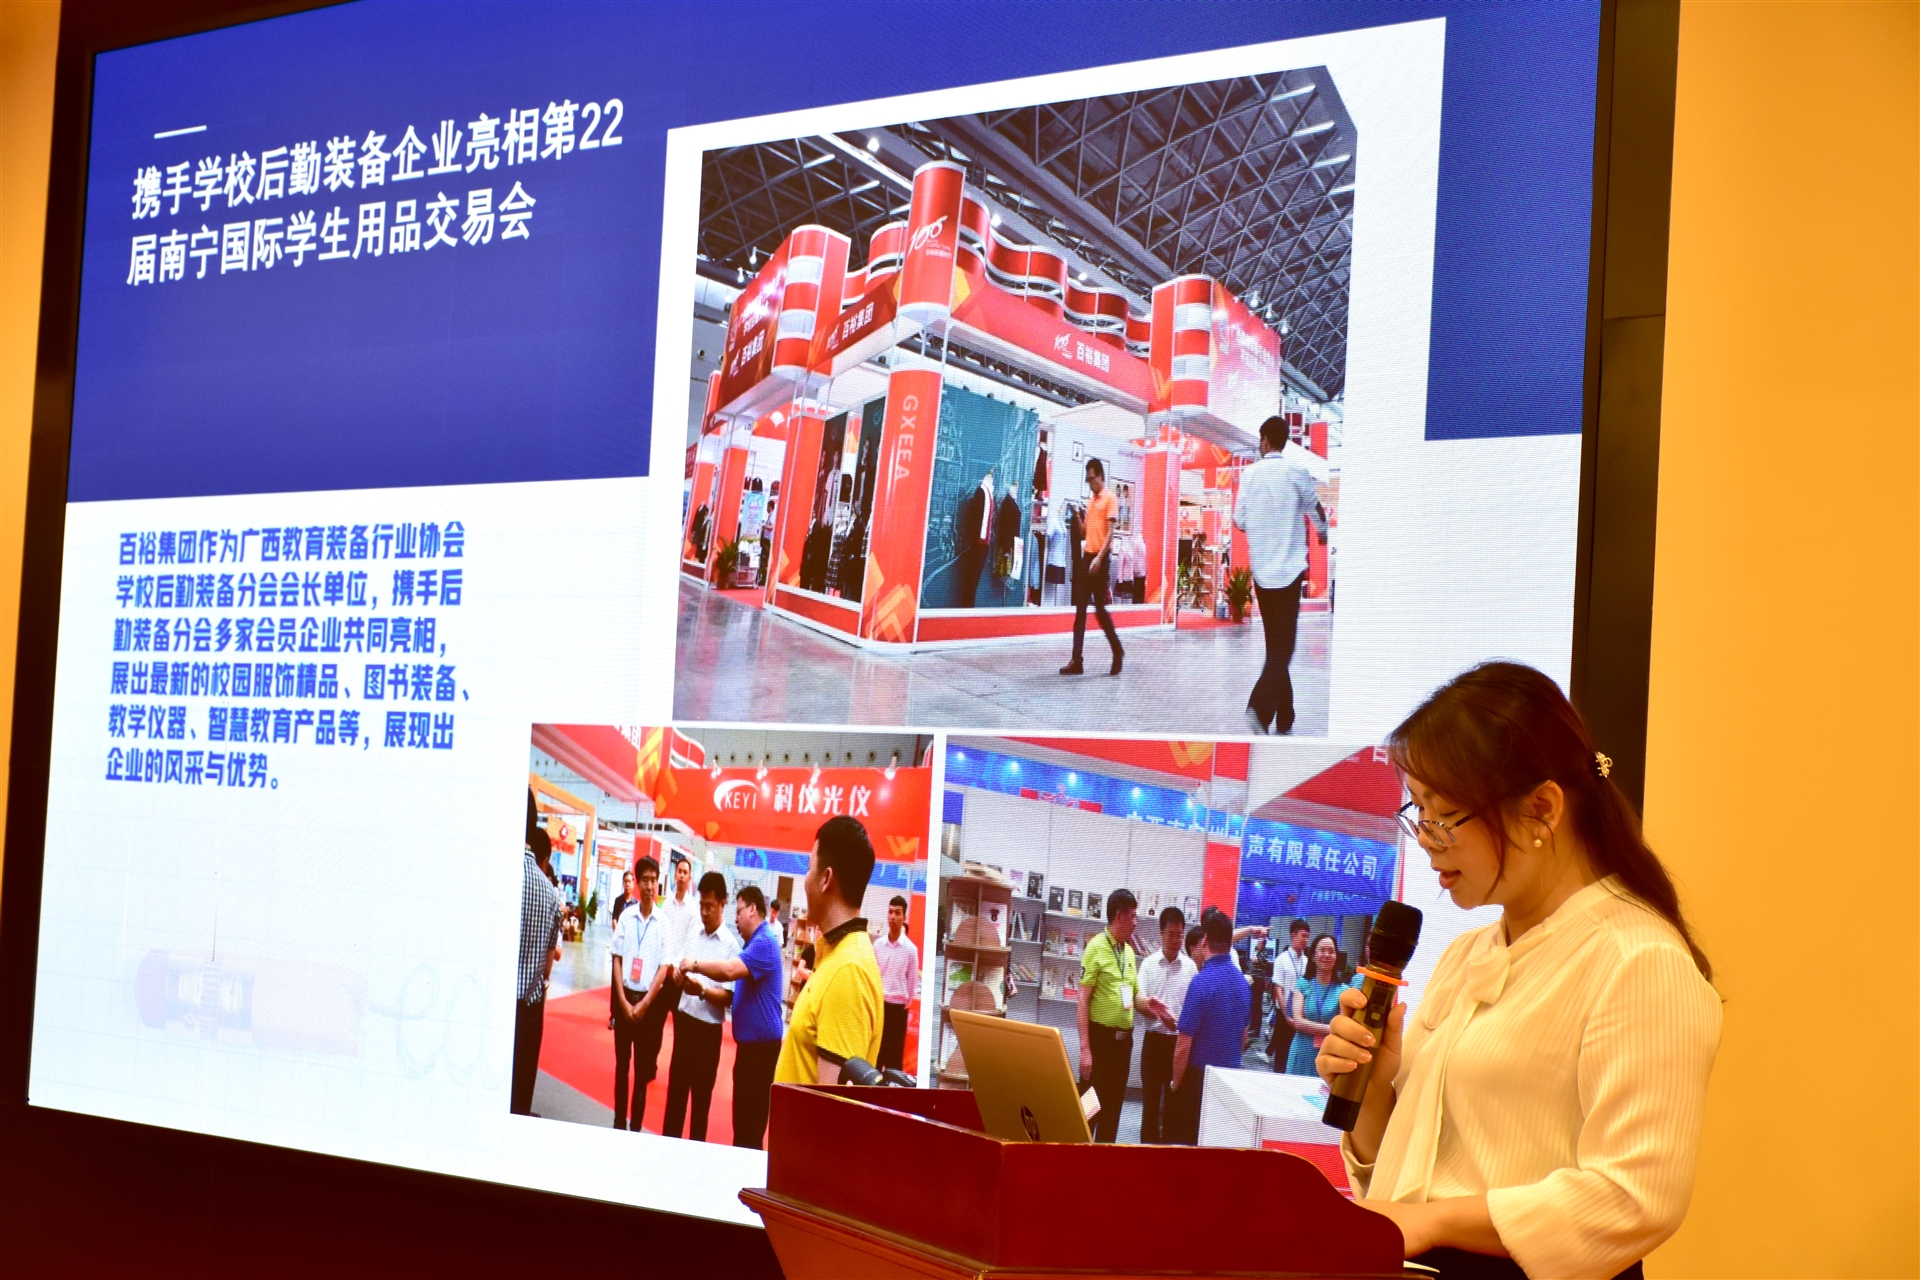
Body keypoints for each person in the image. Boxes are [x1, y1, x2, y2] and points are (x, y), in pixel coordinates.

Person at [1316, 662, 1720, 1279]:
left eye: (1442, 814)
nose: (1424, 838)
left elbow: (1634, 1199)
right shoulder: (1465, 955)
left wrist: (1436, 1222)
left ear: (1542, 809)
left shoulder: (1638, 959)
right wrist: (1373, 1098)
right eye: (1417, 810)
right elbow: (1410, 1188)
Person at [1234, 414, 1329, 735]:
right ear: (1285, 441)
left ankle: (1282, 714)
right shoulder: (1297, 472)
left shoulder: (1249, 475)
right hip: (1289, 572)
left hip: (1262, 572)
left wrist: (1261, 522)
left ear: (1264, 440)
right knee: (1282, 649)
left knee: (1276, 646)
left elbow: (1239, 520)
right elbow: (1316, 509)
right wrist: (1322, 532)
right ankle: (1261, 710)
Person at [774, 815, 885, 1086]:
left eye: (809, 868)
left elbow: (831, 1105)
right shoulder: (837, 954)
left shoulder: (848, 971)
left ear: (826, 878)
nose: (805, 880)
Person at [682, 885, 784, 1150]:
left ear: (752, 909)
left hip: (760, 1054)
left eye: (738, 912)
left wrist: (695, 965)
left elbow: (729, 971)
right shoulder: (755, 943)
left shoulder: (764, 942)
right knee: (743, 1128)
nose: (735, 919)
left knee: (749, 1130)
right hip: (752, 1051)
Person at [664, 872, 739, 1143]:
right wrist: (677, 976)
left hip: (708, 1033)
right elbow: (677, 965)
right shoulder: (693, 934)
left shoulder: (731, 946)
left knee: (700, 1104)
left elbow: (728, 997)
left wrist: (703, 991)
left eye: (710, 906)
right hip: (684, 1025)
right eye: (702, 906)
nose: (704, 912)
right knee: (675, 1097)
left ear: (723, 903)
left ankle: (696, 1157)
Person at [1168, 908, 1252, 1145]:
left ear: (1204, 940)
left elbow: (1183, 1044)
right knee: (1217, 1145)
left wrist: (1176, 1083)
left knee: (1186, 1145)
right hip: (1230, 1077)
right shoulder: (1243, 984)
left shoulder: (1201, 982)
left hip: (1198, 1079)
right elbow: (1243, 1037)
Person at [609, 855, 672, 1132]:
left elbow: (664, 967)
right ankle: (618, 1123)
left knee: (642, 1072)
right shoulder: (626, 917)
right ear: (637, 883)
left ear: (658, 884)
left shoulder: (663, 923)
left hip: (649, 1007)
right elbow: (617, 958)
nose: (649, 885)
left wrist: (645, 1004)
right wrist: (622, 1001)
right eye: (644, 880)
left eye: (653, 880)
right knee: (621, 1068)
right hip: (625, 1000)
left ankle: (635, 1128)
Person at [1075, 888, 1138, 1143]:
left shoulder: (1129, 952)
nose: (1136, 922)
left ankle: (1104, 1159)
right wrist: (1085, 1049)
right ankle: (1080, 1158)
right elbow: (1083, 1000)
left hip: (1123, 1044)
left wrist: (1151, 1005)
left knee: (1113, 1108)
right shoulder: (1096, 947)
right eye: (1132, 916)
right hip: (1099, 1041)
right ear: (1119, 916)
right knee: (1089, 1109)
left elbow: (1134, 995)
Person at [511, 828, 563, 1116]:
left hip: (500, 999)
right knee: (522, 1081)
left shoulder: (506, 874)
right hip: (531, 1005)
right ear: (546, 859)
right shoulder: (551, 893)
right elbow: (548, 964)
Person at [1135, 906, 1196, 1144]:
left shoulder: (1190, 968)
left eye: (1180, 935)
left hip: (1178, 1045)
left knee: (1174, 1103)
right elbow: (1138, 1001)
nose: (1176, 940)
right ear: (1161, 933)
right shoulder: (1148, 965)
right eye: (1171, 934)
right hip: (1154, 1043)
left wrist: (1177, 1022)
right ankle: (1146, 1152)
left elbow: (1193, 1008)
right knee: (1150, 1102)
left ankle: (1169, 1153)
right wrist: (1156, 1012)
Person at [1059, 458, 1124, 677]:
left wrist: (1099, 558)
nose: (1090, 483)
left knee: (1100, 609)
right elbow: (1085, 533)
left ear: (1101, 476)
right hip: (1087, 557)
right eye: (1087, 480)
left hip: (1100, 559)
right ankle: (1076, 660)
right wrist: (1077, 516)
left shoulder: (1110, 499)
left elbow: (1110, 533)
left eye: (1092, 479)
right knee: (1080, 609)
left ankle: (1117, 651)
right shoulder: (1091, 501)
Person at [1283, 933, 1345, 1076]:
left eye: (1331, 951)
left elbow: (1342, 1028)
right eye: (1322, 950)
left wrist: (1311, 1027)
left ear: (1336, 957)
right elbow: (1298, 1022)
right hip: (1301, 1053)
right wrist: (1330, 1029)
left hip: (1328, 1055)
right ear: (1313, 956)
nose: (1326, 955)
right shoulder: (1302, 984)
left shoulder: (1344, 991)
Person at [872, 895, 919, 1073]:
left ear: (904, 917)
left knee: (894, 1059)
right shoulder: (878, 945)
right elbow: (874, 975)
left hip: (898, 1010)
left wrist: (903, 1005)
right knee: (876, 1054)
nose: (893, 916)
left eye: (897, 913)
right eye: (890, 912)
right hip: (880, 1007)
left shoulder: (910, 949)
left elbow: (912, 982)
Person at [1268, 918, 1311, 1073]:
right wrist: (1287, 1014)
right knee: (1282, 1053)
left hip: (1301, 1014)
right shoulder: (1282, 959)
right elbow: (1278, 989)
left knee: (1298, 1053)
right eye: (1303, 936)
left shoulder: (1307, 961)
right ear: (1293, 935)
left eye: (1308, 937)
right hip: (1284, 1014)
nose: (1306, 940)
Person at [607, 868, 636, 1029]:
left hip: (630, 950)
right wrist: (621, 934)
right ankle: (614, 1015)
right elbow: (614, 921)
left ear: (633, 883)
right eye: (625, 881)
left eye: (630, 881)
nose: (628, 884)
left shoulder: (636, 904)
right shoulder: (618, 901)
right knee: (615, 980)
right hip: (619, 947)